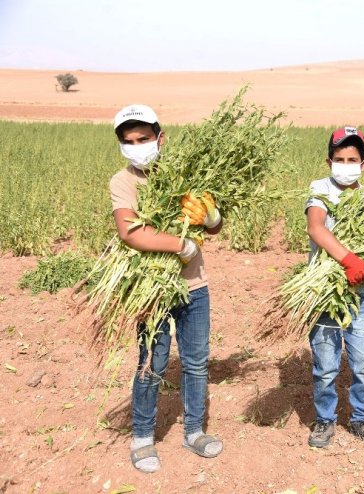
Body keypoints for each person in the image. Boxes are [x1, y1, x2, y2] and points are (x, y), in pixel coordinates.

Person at [110, 104, 224, 473]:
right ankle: (142, 436)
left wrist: (210, 216)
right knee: (152, 362)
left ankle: (194, 432)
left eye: (144, 138)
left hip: (194, 285)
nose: (137, 145)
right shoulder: (123, 182)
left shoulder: (186, 174)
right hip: (152, 289)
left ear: (161, 139)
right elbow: (131, 232)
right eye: (129, 141)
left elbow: (213, 227)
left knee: (195, 362)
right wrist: (180, 244)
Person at [303, 126, 364, 448]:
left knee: (363, 361)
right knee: (326, 365)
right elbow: (317, 229)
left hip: (360, 295)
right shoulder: (320, 190)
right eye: (340, 158)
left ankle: (361, 418)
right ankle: (325, 420)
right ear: (329, 162)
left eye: (352, 159)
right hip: (324, 294)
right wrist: (348, 259)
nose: (346, 164)